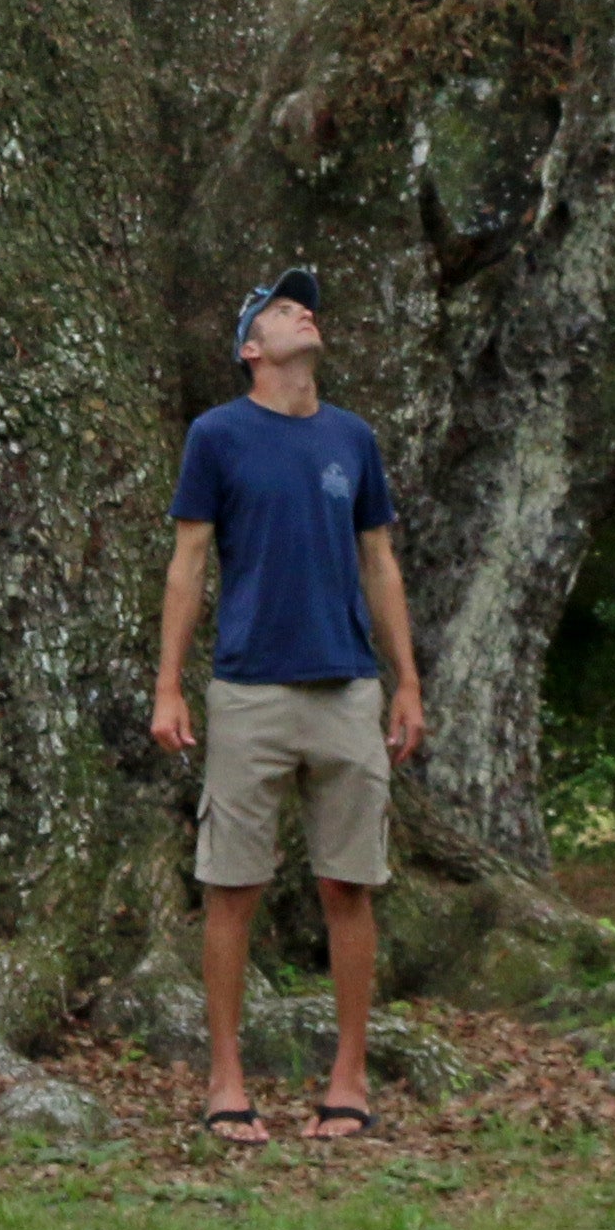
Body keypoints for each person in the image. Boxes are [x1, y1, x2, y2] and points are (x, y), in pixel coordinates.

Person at [148, 266, 427, 1146]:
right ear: (251, 349)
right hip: (248, 692)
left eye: (308, 304)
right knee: (233, 888)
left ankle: (349, 1077)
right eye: (281, 309)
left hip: (347, 688)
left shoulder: (354, 439)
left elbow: (379, 562)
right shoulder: (217, 436)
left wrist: (407, 679)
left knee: (351, 884)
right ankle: (226, 1079)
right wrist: (168, 684)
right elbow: (188, 564)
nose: (305, 311)